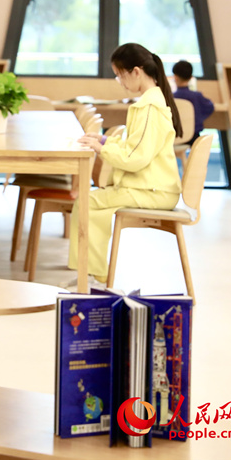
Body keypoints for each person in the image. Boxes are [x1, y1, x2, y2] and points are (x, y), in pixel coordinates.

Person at [67, 43, 183, 289]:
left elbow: (135, 159)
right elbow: (137, 147)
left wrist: (102, 149)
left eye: (120, 75)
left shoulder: (149, 108)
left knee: (86, 202)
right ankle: (92, 274)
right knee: (90, 203)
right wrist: (105, 141)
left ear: (136, 72)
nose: (120, 81)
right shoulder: (151, 103)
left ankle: (90, 277)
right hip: (150, 187)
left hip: (152, 191)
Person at [171, 59, 214, 145]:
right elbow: (210, 107)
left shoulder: (171, 98)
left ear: (175, 77)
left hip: (175, 137)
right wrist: (199, 118)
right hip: (194, 136)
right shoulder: (197, 96)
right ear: (191, 77)